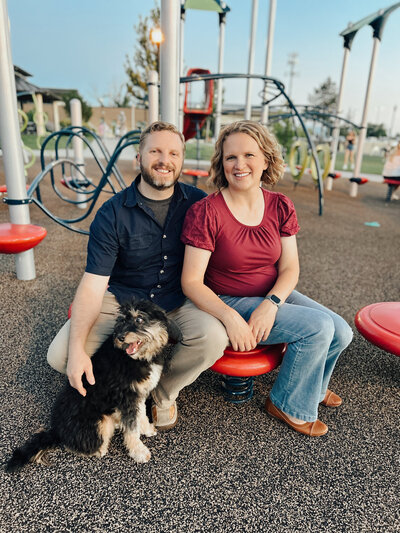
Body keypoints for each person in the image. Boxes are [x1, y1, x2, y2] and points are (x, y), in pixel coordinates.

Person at [47, 121, 228, 430]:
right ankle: (126, 382)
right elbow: (92, 285)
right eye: (155, 151)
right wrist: (78, 351)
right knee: (60, 355)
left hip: (177, 299)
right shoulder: (112, 213)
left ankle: (161, 391)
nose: (164, 160)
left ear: (181, 160)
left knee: (213, 338)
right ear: (139, 157)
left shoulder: (199, 204)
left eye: (173, 153)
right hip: (123, 301)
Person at [181, 120, 353, 437]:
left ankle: (311, 390)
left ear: (265, 160)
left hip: (270, 294)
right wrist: (229, 316)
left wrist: (271, 303)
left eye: (249, 155)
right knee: (319, 328)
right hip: (228, 298)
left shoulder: (280, 205)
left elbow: (290, 269)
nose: (239, 164)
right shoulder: (206, 212)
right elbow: (191, 281)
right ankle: (287, 403)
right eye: (230, 157)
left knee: (341, 331)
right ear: (221, 162)